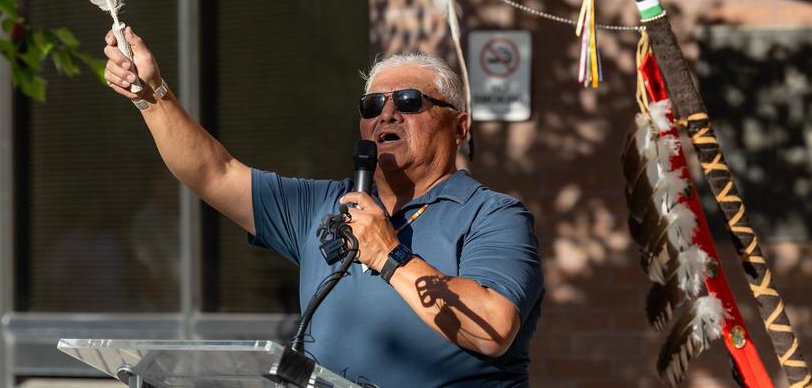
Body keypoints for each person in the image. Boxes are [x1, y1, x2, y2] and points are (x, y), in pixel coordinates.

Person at [103, 27, 543, 388]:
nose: (387, 115)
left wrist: (389, 255)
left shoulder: (492, 215)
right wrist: (151, 94)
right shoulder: (324, 204)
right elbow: (213, 172)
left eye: (409, 101)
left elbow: (493, 329)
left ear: (460, 126)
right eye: (373, 105)